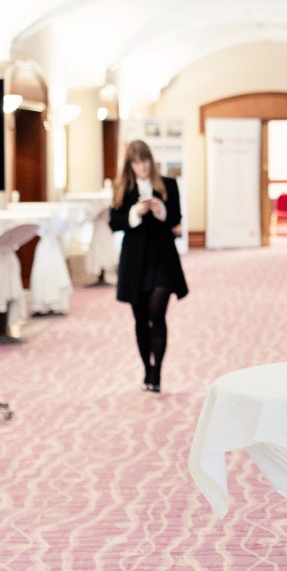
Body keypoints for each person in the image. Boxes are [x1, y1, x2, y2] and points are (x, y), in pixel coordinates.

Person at [109, 139, 189, 393]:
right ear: (130, 165)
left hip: (162, 257)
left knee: (157, 313)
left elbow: (176, 219)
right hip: (135, 261)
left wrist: (161, 210)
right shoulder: (122, 188)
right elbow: (114, 222)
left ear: (151, 161)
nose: (142, 166)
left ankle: (158, 371)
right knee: (141, 318)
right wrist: (134, 213)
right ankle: (147, 368)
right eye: (136, 162)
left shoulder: (168, 184)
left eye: (145, 161)